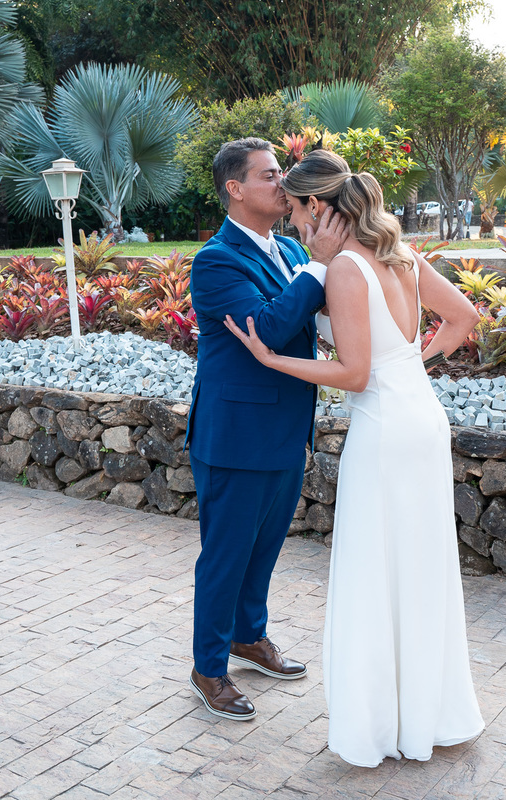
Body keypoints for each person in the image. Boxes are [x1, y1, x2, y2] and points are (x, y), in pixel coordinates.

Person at [224, 149, 485, 767]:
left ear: (317, 206)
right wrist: (412, 365)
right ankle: (431, 715)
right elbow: (464, 318)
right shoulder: (400, 253)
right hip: (421, 419)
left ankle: (380, 728)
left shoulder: (343, 268)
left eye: (294, 210)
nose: (291, 223)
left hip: (385, 432)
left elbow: (355, 374)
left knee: (375, 573)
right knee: (419, 571)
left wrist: (272, 359)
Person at [184, 138, 348, 721]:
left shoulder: (285, 247)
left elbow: (309, 320)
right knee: (226, 557)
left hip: (286, 428)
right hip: (235, 436)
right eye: (270, 175)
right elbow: (270, 330)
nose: (284, 184)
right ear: (235, 188)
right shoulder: (215, 260)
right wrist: (321, 265)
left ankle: (249, 637)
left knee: (264, 550)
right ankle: (209, 667)